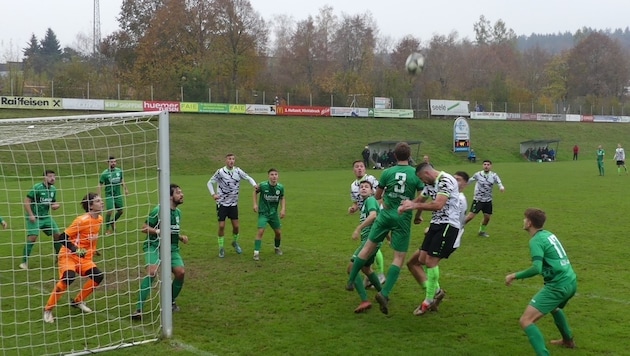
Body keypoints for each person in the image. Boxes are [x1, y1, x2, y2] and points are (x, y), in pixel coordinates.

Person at [345, 142, 424, 315]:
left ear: (394, 156)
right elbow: (422, 196)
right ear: (409, 156)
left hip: (386, 213)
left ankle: (351, 280)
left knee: (367, 247)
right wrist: (417, 213)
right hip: (403, 216)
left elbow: (378, 195)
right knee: (399, 257)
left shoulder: (387, 172)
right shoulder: (415, 173)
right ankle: (384, 292)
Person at [505, 208, 577, 355]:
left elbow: (537, 268)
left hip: (557, 286)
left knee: (526, 321)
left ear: (530, 223)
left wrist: (514, 275)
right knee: (555, 307)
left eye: (525, 219)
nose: (523, 221)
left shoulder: (536, 241)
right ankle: (568, 340)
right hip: (571, 281)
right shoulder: (548, 234)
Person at [399, 164, 461, 315]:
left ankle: (428, 300)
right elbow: (421, 198)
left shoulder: (446, 180)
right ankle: (437, 291)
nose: (422, 182)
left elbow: (438, 204)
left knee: (431, 262)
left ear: (427, 173)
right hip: (435, 224)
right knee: (420, 259)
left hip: (448, 225)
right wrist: (416, 211)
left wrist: (414, 206)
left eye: (421, 178)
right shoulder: (429, 183)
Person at [43, 193, 105, 323]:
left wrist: (93, 250)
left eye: (101, 200)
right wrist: (76, 250)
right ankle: (48, 309)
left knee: (98, 276)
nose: (102, 202)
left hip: (84, 258)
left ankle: (77, 301)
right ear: (91, 206)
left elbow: (91, 238)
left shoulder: (99, 219)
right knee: (68, 278)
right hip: (69, 255)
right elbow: (62, 237)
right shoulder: (81, 220)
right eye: (98, 201)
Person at [132, 184, 188, 320]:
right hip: (154, 246)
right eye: (178, 193)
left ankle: (170, 301)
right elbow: (144, 228)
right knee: (152, 272)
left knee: (180, 273)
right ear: (170, 196)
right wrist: (157, 231)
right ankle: (138, 309)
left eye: (181, 192)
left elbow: (172, 230)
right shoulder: (158, 210)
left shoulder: (178, 213)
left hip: (171, 248)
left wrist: (180, 237)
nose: (182, 195)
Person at [207, 153, 258, 258]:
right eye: (229, 159)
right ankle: (221, 248)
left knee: (236, 226)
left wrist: (254, 185)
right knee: (221, 226)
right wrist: (213, 194)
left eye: (233, 159)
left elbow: (248, 178)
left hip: (233, 204)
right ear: (226, 160)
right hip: (222, 203)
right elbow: (209, 183)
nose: (231, 161)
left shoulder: (238, 171)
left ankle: (235, 242)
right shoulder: (220, 172)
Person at [348, 160, 385, 287]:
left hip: (374, 214)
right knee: (370, 245)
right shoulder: (353, 185)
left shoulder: (371, 179)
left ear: (365, 168)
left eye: (361, 166)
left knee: (372, 244)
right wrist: (353, 208)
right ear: (353, 170)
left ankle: (380, 275)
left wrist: (376, 208)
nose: (359, 169)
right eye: (356, 167)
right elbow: (356, 202)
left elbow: (381, 193)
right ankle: (370, 275)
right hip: (366, 215)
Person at [348, 180, 383, 313]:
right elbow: (380, 220)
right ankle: (383, 293)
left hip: (369, 241)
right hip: (374, 240)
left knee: (351, 268)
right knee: (366, 268)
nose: (363, 188)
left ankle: (364, 300)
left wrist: (358, 228)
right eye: (361, 187)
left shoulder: (370, 201)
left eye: (366, 187)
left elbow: (374, 216)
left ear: (372, 191)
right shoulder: (366, 203)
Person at [20, 170, 62, 270]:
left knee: (58, 235)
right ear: (44, 178)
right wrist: (31, 215)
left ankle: (59, 257)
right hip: (35, 217)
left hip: (46, 217)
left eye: (54, 176)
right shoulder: (37, 187)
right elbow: (27, 200)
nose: (52, 178)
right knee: (32, 238)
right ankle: (24, 262)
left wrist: (55, 205)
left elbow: (52, 202)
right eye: (50, 176)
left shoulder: (53, 189)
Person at [464, 160, 505, 237]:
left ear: (491, 166)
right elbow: (470, 180)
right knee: (470, 217)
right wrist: (462, 184)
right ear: (483, 166)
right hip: (478, 199)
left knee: (487, 218)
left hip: (488, 200)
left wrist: (501, 187)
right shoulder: (478, 174)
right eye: (485, 164)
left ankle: (481, 231)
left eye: (488, 164)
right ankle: (458, 228)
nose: (486, 166)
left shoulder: (494, 175)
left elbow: (499, 182)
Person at [253, 168, 286, 261]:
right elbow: (255, 192)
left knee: (278, 233)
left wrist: (283, 209)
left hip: (274, 214)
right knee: (260, 231)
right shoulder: (263, 185)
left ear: (278, 176)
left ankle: (277, 248)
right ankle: (256, 252)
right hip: (263, 213)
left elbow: (282, 198)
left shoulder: (280, 187)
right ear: (268, 176)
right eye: (272, 174)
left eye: (276, 174)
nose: (274, 176)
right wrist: (255, 204)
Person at [98, 156, 129, 235]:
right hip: (109, 195)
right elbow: (100, 185)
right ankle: (107, 229)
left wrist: (125, 189)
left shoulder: (119, 171)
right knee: (109, 211)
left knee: (121, 211)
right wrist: (99, 196)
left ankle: (112, 221)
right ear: (108, 163)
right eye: (112, 162)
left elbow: (122, 180)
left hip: (118, 195)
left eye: (115, 162)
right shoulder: (104, 174)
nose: (113, 163)